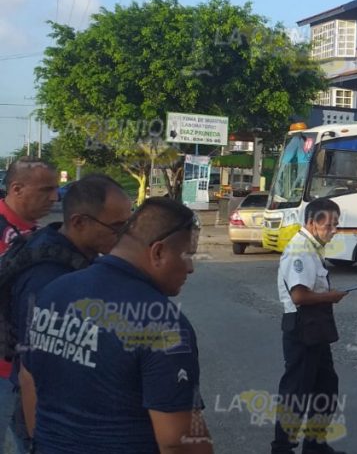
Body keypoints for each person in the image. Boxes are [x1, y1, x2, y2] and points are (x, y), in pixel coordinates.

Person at [20, 197, 212, 453]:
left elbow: (27, 380)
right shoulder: (162, 323)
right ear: (158, 252)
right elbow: (178, 440)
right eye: (188, 255)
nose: (190, 268)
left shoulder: (54, 291)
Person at [2, 174, 131, 451]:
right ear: (79, 222)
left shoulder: (74, 254)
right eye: (116, 227)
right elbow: (31, 372)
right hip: (45, 421)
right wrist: (42, 443)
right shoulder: (46, 277)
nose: (123, 236)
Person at [272, 197, 349, 454]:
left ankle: (315, 445)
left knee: (325, 386)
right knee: (296, 391)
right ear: (311, 222)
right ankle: (282, 447)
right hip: (302, 327)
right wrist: (332, 296)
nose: (334, 230)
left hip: (316, 328)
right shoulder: (300, 251)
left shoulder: (312, 247)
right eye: (329, 225)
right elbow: (299, 296)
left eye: (336, 224)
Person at [0, 158, 58, 449]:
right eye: (46, 190)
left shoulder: (33, 234)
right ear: (17, 188)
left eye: (56, 189)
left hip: (23, 368)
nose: (54, 197)